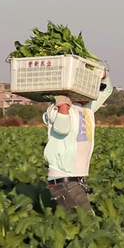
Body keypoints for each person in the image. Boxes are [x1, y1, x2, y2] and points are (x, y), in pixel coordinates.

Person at [42, 70, 113, 214]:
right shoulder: (56, 108)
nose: (92, 93)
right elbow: (62, 129)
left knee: (84, 224)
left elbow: (107, 90)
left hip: (76, 179)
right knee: (87, 224)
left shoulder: (86, 108)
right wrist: (62, 103)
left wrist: (103, 75)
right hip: (63, 178)